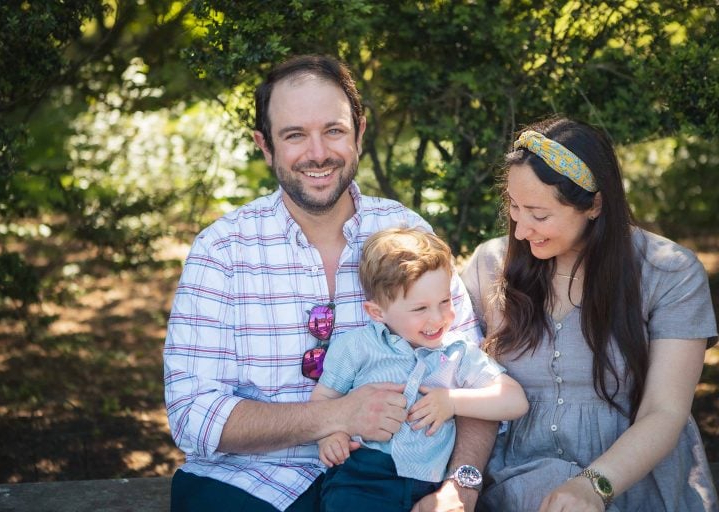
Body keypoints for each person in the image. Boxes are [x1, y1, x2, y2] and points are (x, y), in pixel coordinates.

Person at [163, 54, 498, 512]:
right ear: (265, 146)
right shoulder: (222, 251)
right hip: (249, 481)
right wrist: (337, 414)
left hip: (394, 477)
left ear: (359, 132)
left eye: (333, 130)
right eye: (295, 135)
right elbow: (192, 417)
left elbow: (472, 375)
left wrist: (462, 486)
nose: (318, 153)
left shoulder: (406, 231)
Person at [462, 116, 719, 511]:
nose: (520, 230)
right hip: (515, 487)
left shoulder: (669, 272)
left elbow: (665, 410)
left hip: (635, 484)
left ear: (595, 205)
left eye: (539, 214)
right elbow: (459, 385)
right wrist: (462, 483)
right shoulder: (488, 265)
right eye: (513, 207)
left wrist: (592, 485)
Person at [310, 227, 528, 511]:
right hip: (363, 476)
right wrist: (332, 435)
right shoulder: (356, 347)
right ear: (377, 312)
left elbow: (515, 401)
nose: (438, 318)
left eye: (445, 302)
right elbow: (324, 400)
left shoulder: (457, 352)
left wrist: (452, 401)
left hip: (432, 482)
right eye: (420, 309)